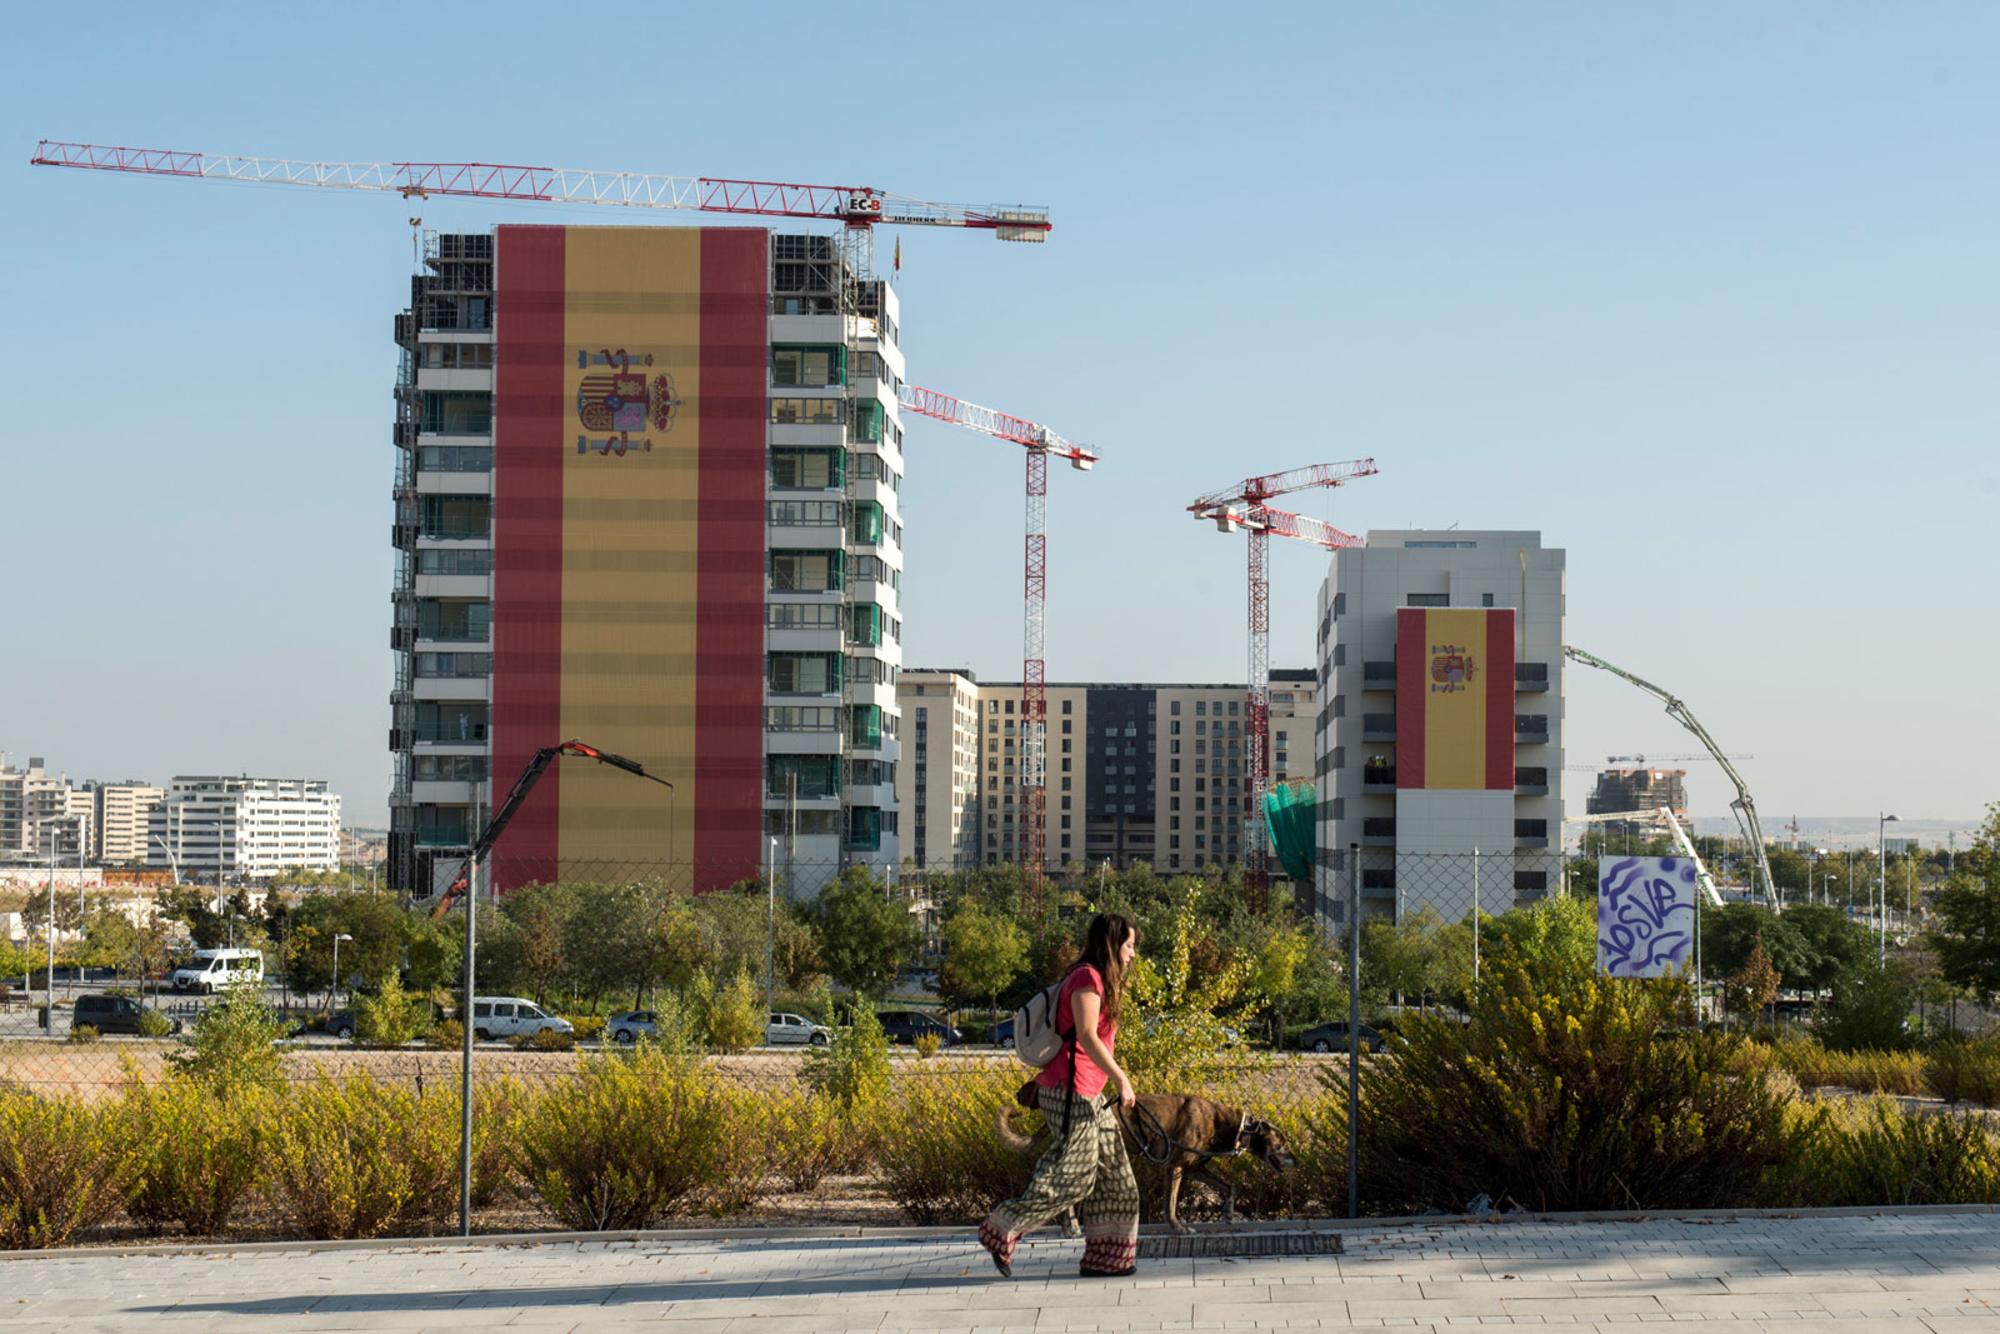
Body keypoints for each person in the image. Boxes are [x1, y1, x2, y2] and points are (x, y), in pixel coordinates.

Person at [978, 912, 1141, 1279]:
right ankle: (1002, 1227)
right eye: (1129, 946)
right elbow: (1085, 1035)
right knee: (1076, 1175)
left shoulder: (1100, 979)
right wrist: (1121, 1078)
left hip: (1088, 1093)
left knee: (1117, 1177)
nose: (1132, 954)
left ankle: (1108, 1258)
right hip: (1069, 1091)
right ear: (1112, 945)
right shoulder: (1086, 978)